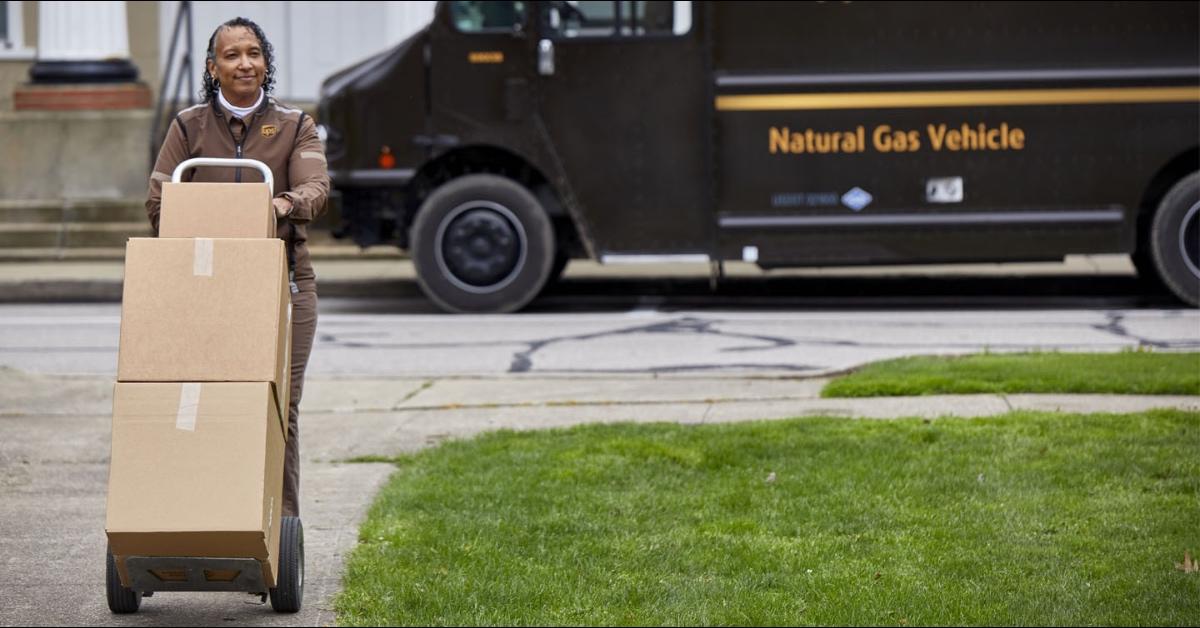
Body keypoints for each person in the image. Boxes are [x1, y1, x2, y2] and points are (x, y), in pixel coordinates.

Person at [145, 17, 329, 519]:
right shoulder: (188, 126)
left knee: (277, 409)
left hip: (285, 286)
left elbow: (315, 190)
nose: (244, 63)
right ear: (213, 67)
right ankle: (208, 512)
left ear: (266, 62)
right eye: (231, 55)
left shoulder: (296, 125)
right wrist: (224, 216)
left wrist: (277, 207)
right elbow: (159, 205)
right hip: (206, 288)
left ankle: (279, 530)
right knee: (207, 402)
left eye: (253, 52)